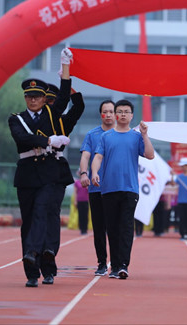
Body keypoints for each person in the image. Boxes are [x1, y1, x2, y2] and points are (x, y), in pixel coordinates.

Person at [8, 51, 72, 288]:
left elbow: (64, 97)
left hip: (48, 173)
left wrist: (65, 67)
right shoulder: (16, 119)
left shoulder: (52, 114)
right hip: (26, 174)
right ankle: (32, 272)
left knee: (42, 212)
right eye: (29, 96)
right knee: (29, 221)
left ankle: (43, 259)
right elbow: (21, 138)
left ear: (45, 98)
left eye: (37, 96)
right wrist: (47, 141)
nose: (33, 100)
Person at [90, 99, 154, 279]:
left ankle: (123, 265)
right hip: (108, 189)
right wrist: (94, 172)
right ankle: (115, 265)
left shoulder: (136, 137)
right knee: (112, 228)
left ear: (132, 115)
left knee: (126, 227)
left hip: (130, 189)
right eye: (120, 111)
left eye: (127, 111)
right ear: (116, 114)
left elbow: (150, 155)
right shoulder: (106, 137)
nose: (123, 114)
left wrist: (145, 135)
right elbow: (98, 157)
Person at [42, 76, 84, 284]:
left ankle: (49, 257)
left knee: (52, 215)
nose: (50, 106)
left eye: (53, 102)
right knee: (36, 217)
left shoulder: (62, 121)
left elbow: (79, 106)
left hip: (56, 172)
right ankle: (34, 257)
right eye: (47, 102)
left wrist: (69, 86)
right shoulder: (31, 119)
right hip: (34, 172)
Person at [79, 99, 115, 276]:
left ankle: (117, 263)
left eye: (111, 111)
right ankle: (102, 262)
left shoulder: (123, 134)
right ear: (101, 114)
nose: (108, 115)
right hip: (96, 188)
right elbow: (86, 156)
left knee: (115, 228)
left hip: (117, 189)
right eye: (105, 111)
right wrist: (84, 173)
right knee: (99, 228)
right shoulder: (92, 135)